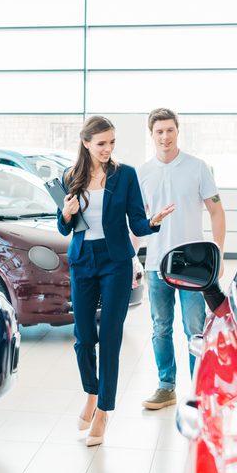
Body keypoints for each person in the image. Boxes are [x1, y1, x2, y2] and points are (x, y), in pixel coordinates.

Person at [58, 115, 174, 446]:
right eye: (101, 143)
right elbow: (65, 228)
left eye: (112, 143)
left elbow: (137, 223)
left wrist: (153, 222)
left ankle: (104, 411)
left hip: (116, 263)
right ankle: (91, 393)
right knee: (82, 337)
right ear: (86, 143)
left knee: (109, 337)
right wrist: (65, 214)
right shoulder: (71, 177)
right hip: (83, 261)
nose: (108, 149)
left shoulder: (125, 175)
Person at [137, 108, 226, 411]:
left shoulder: (198, 167)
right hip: (155, 264)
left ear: (177, 131)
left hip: (192, 264)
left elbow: (216, 210)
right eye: (159, 131)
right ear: (152, 135)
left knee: (195, 328)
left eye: (170, 130)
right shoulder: (142, 173)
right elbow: (137, 222)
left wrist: (219, 252)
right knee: (161, 327)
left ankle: (199, 389)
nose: (165, 137)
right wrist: (131, 259)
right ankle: (166, 387)